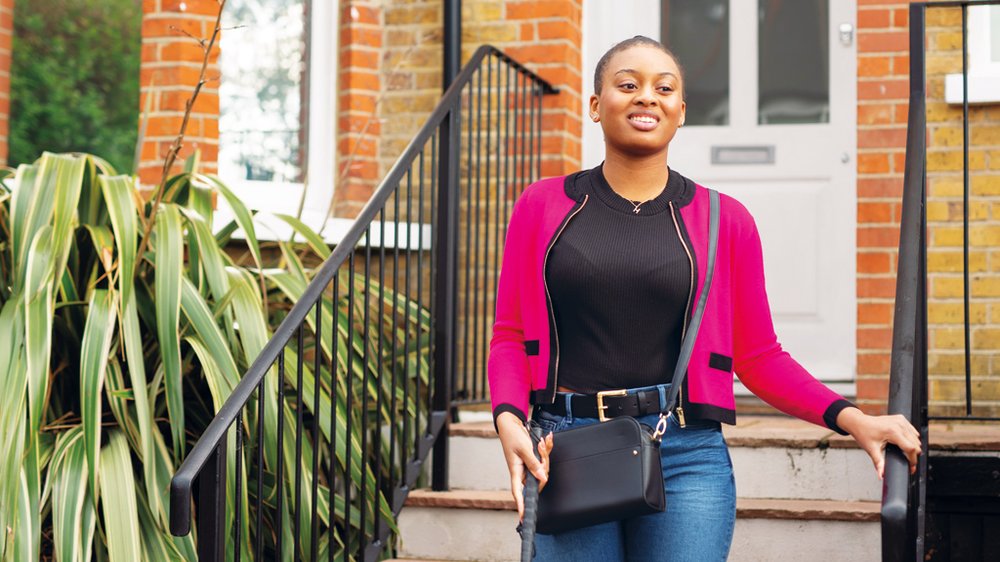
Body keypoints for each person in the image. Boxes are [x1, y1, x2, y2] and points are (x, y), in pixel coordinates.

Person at [487, 35, 922, 561]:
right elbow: (510, 334)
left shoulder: (724, 221)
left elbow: (760, 356)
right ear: (596, 106)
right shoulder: (543, 205)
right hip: (565, 445)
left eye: (663, 88)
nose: (647, 97)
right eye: (628, 84)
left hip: (686, 452)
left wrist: (852, 418)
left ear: (680, 112)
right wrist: (509, 419)